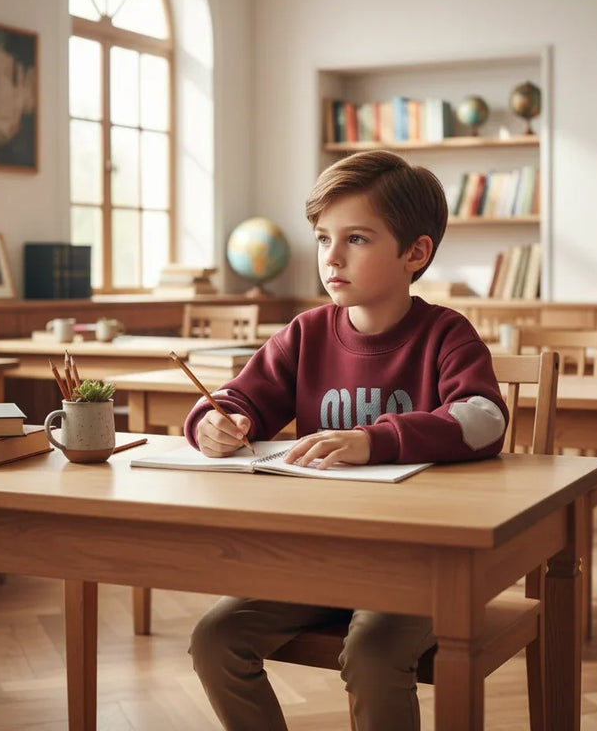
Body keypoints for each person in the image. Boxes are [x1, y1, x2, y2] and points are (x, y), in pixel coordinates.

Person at [185, 149, 508, 731]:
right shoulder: (305, 334)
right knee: (215, 638)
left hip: (419, 563)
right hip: (320, 554)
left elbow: (484, 418)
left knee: (374, 650)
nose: (330, 257)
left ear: (416, 252)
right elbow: (238, 400)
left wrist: (376, 439)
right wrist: (216, 423)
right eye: (322, 237)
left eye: (356, 238)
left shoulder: (446, 334)